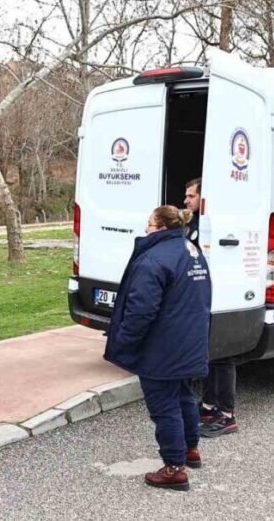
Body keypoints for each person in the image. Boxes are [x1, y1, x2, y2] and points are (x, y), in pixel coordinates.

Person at [104, 205, 211, 491]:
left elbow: (141, 311)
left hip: (162, 347)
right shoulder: (192, 251)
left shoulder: (152, 259)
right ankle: (190, 450)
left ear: (161, 227)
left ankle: (174, 467)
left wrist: (124, 342)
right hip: (189, 340)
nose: (146, 229)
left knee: (164, 406)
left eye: (149, 224)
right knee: (184, 396)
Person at [184, 176, 239, 438]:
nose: (186, 200)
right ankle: (207, 406)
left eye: (191, 196)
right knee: (207, 354)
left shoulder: (217, 224)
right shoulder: (193, 224)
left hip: (220, 294)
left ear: (203, 198)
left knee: (222, 355)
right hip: (201, 296)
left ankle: (227, 415)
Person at [183, 178, 202, 245]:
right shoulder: (189, 219)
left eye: (191, 196)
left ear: (203, 196)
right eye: (186, 196)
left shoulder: (203, 221)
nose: (185, 201)